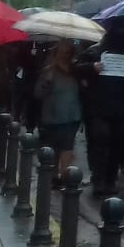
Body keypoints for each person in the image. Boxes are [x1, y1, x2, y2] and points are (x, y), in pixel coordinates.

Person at [86, 20, 124, 197]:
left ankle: (109, 180)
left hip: (122, 107)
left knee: (115, 145)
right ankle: (99, 179)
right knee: (101, 143)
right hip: (100, 106)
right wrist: (91, 68)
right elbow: (77, 69)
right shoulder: (96, 52)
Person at [35, 40, 84, 184]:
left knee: (67, 146)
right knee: (53, 148)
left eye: (67, 53)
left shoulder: (76, 71)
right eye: (61, 53)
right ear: (55, 54)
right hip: (52, 116)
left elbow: (83, 92)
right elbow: (37, 93)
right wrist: (47, 82)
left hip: (72, 116)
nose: (64, 56)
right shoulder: (48, 71)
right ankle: (54, 176)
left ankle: (65, 177)